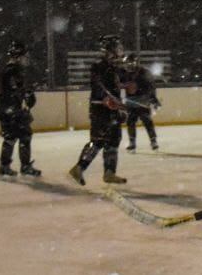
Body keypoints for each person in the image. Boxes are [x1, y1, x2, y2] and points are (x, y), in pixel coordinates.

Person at [69, 35, 128, 186]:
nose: (120, 50)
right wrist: (106, 99)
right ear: (110, 49)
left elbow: (116, 89)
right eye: (117, 47)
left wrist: (119, 105)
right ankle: (79, 168)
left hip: (111, 109)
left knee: (113, 140)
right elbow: (98, 86)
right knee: (98, 141)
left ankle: (109, 172)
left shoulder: (114, 68)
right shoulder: (99, 66)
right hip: (100, 109)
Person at [0, 40, 40, 177]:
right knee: (24, 135)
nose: (26, 59)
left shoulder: (9, 70)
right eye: (25, 56)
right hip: (11, 109)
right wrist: (27, 93)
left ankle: (4, 166)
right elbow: (17, 89)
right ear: (18, 56)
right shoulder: (13, 71)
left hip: (5, 108)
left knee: (10, 137)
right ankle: (24, 166)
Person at [122, 54, 161, 152]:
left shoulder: (144, 72)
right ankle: (132, 143)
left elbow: (151, 86)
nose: (129, 65)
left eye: (131, 62)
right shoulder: (125, 73)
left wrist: (153, 99)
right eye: (127, 63)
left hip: (143, 101)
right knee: (130, 122)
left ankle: (153, 141)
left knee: (147, 121)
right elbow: (120, 85)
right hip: (130, 102)